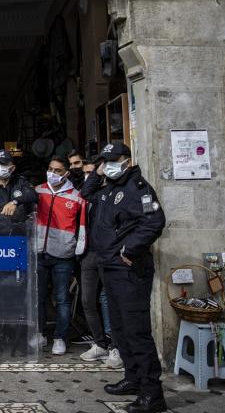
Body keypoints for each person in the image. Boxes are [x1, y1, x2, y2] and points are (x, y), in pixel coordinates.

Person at [81, 143, 167, 413]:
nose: (108, 165)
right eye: (105, 161)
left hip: (129, 269)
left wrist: (130, 249)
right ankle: (133, 379)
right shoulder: (109, 187)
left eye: (113, 160)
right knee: (119, 330)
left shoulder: (137, 188)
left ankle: (152, 394)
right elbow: (86, 192)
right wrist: (97, 168)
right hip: (110, 267)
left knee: (136, 332)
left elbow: (154, 222)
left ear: (127, 161)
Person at [35, 156, 88, 356]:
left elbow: (82, 227)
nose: (52, 173)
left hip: (63, 254)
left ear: (66, 173)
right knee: (38, 297)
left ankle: (60, 337)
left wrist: (77, 249)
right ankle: (39, 333)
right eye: (50, 169)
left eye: (57, 170)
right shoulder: (37, 191)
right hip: (40, 251)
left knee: (62, 298)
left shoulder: (76, 197)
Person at [77, 154, 121, 367]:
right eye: (85, 173)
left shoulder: (112, 193)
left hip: (109, 254)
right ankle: (100, 343)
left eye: (91, 172)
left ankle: (116, 346)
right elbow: (85, 192)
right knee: (87, 300)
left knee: (108, 300)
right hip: (89, 253)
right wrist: (94, 173)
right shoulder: (91, 194)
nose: (88, 176)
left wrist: (100, 172)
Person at [0, 149, 37, 221]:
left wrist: (15, 202)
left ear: (12, 168)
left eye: (3, 164)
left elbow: (33, 195)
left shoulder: (20, 182)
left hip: (17, 229)